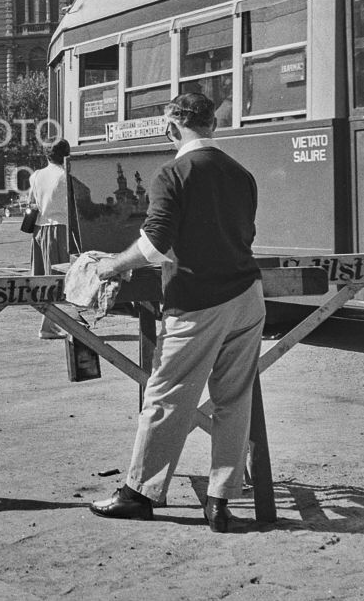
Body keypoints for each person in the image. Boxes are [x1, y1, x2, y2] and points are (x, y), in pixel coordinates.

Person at [89, 92, 264, 533]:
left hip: (198, 303)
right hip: (248, 296)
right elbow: (237, 234)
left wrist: (111, 265)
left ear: (171, 128)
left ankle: (139, 493)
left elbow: (153, 244)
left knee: (167, 397)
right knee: (234, 400)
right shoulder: (242, 175)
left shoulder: (173, 173)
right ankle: (220, 501)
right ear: (213, 126)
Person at [27, 138, 71, 339]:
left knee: (44, 277)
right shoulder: (65, 175)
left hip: (39, 230)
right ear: (65, 155)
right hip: (59, 228)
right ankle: (46, 327)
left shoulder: (36, 176)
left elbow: (31, 203)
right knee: (58, 279)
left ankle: (48, 324)